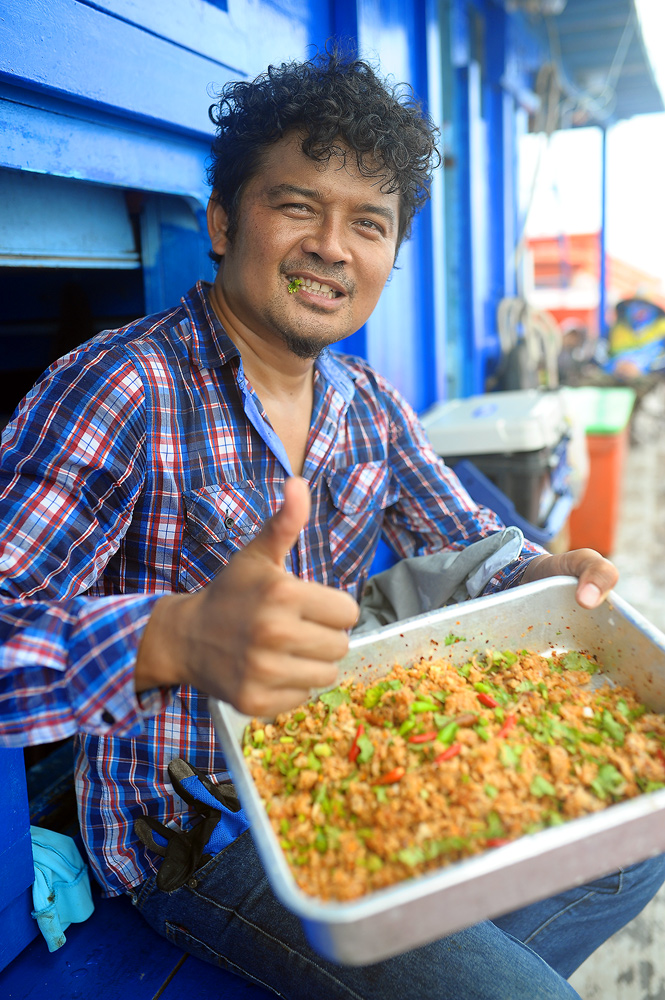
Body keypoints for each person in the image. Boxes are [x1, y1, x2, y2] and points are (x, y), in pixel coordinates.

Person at [0, 49, 663, 999]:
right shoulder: (120, 387)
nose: (332, 247)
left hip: (340, 757)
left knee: (628, 841)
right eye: (297, 206)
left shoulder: (367, 402)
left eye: (368, 224)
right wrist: (173, 636)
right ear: (225, 220)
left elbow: (466, 534)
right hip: (192, 821)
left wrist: (534, 571)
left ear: (391, 258)